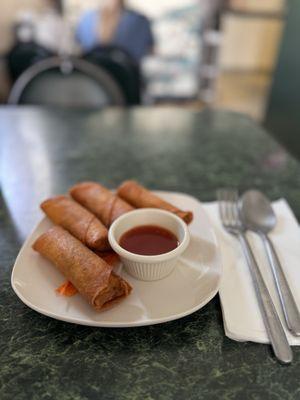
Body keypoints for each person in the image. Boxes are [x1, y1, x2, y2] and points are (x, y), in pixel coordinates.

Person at [76, 0, 154, 63]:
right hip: (129, 77)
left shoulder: (86, 19)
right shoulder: (140, 21)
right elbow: (150, 50)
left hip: (93, 77)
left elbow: (80, 48)